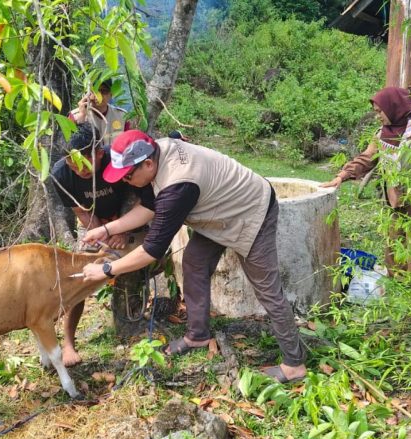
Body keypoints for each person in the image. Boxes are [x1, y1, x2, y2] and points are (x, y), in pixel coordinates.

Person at [79, 130, 307, 384]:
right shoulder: (156, 152)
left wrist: (107, 270)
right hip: (217, 209)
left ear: (148, 164)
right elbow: (147, 207)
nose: (126, 182)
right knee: (194, 262)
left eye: (129, 176)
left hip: (250, 209)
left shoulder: (178, 185)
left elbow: (151, 250)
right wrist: (107, 229)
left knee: (267, 289)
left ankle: (294, 364)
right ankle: (198, 335)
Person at [320, 86, 411, 284]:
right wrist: (342, 176)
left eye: (379, 111)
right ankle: (398, 288)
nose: (377, 116)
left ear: (393, 106)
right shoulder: (381, 134)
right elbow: (367, 158)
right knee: (394, 244)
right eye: (376, 112)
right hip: (394, 199)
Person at [51, 122, 152, 365]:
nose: (78, 169)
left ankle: (130, 323)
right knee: (79, 276)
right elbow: (81, 211)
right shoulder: (61, 174)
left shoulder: (117, 160)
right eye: (72, 163)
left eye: (85, 163)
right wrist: (101, 233)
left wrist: (122, 229)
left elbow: (140, 199)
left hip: (132, 222)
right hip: (97, 226)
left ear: (98, 152)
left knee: (128, 265)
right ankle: (68, 344)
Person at [69, 79, 131, 146]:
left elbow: (128, 143)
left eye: (104, 91)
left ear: (111, 94)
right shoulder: (74, 115)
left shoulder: (122, 115)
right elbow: (69, 144)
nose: (98, 96)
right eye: (94, 91)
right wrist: (81, 116)